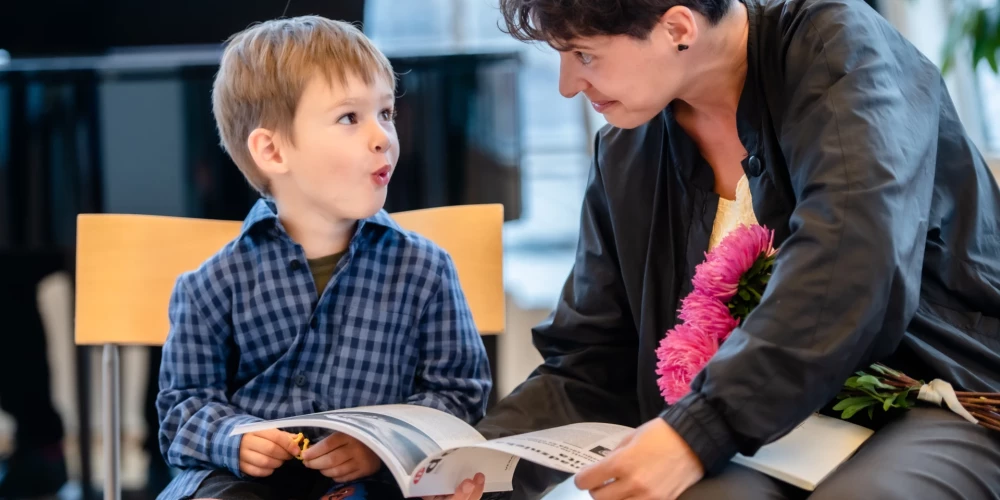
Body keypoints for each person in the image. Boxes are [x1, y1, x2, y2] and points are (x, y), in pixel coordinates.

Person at [476, 0, 1000, 499]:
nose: (568, 86)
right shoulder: (625, 152)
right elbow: (592, 363)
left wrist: (699, 429)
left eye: (585, 54)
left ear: (678, 29)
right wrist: (474, 464)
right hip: (765, 437)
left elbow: (852, 262)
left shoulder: (838, 48)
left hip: (940, 397)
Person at [155, 16, 491, 500]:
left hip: (375, 481)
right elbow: (183, 410)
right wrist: (236, 439)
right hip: (245, 486)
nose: (382, 137)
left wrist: (380, 445)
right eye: (350, 118)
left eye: (387, 114)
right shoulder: (211, 282)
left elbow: (461, 394)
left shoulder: (426, 269)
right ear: (272, 151)